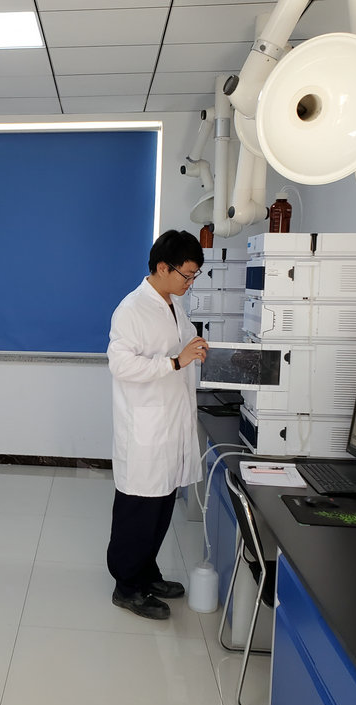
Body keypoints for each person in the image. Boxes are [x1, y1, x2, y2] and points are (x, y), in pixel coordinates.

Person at [106, 229, 209, 620]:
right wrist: (175, 362)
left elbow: (180, 347)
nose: (190, 282)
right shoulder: (131, 309)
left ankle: (147, 574)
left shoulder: (173, 304)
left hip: (171, 424)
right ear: (163, 267)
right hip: (145, 432)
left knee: (161, 507)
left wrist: (194, 350)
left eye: (194, 275)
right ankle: (126, 586)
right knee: (138, 512)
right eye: (187, 274)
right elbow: (121, 365)